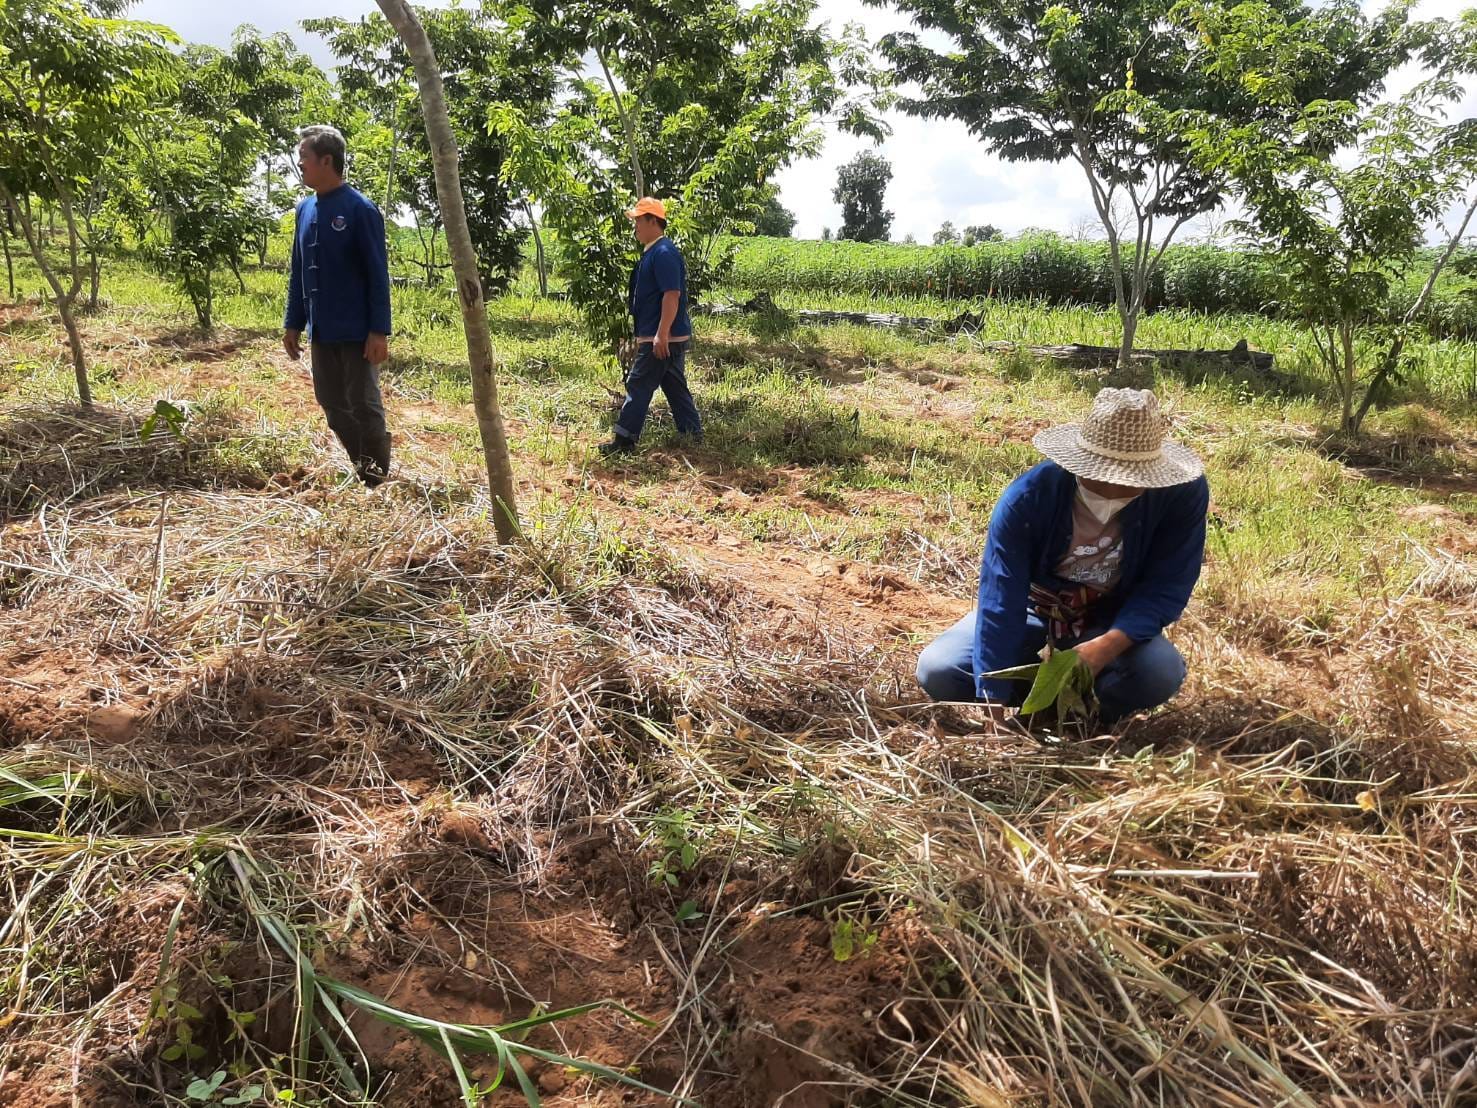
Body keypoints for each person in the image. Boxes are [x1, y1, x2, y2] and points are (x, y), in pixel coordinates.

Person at [916, 388, 1209, 726]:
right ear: (1079, 465)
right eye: (1101, 478)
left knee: (1158, 672)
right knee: (940, 669)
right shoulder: (1028, 498)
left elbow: (1166, 586)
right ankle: (1036, 709)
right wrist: (992, 709)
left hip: (1110, 618)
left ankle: (1070, 715)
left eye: (1129, 482)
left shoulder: (1180, 496)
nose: (1112, 491)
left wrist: (1106, 647)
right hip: (1036, 611)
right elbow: (1002, 598)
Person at [283, 124, 394, 486]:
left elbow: (377, 274)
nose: (300, 165)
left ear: (326, 160)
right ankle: (365, 467)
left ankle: (376, 478)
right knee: (331, 403)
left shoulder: (360, 209)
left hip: (357, 330)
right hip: (322, 329)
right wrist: (293, 323)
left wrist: (378, 330)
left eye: (305, 159)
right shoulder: (304, 210)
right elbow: (299, 271)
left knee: (363, 403)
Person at [599, 197, 704, 455]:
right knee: (674, 385)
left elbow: (672, 295)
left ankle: (624, 441)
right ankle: (693, 434)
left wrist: (661, 334)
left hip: (663, 335)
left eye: (638, 221)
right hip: (666, 334)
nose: (635, 226)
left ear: (652, 221)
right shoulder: (655, 251)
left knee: (638, 383)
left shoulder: (664, 253)